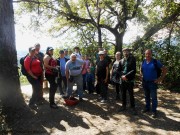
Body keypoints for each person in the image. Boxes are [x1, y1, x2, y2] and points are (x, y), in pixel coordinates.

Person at [141, 49, 167, 118]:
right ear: (145, 54)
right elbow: (141, 70)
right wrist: (142, 76)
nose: (147, 55)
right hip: (145, 82)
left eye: (149, 54)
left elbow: (165, 69)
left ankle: (154, 111)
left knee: (153, 98)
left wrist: (160, 79)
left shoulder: (155, 62)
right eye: (146, 54)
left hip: (152, 83)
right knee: (146, 96)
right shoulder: (143, 61)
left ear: (151, 54)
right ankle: (147, 108)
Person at [118, 48, 137, 115]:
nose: (126, 53)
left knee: (131, 94)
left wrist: (126, 76)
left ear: (129, 52)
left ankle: (132, 107)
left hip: (130, 80)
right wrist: (122, 76)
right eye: (124, 52)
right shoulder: (121, 61)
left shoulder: (132, 59)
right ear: (123, 53)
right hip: (123, 80)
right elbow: (118, 70)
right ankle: (123, 106)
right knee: (123, 94)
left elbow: (134, 70)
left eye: (127, 51)